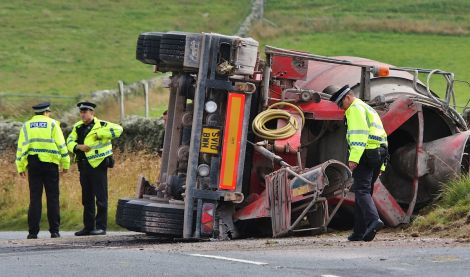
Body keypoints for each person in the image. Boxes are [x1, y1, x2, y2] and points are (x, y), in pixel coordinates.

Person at [330, 85, 388, 242]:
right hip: (379, 153)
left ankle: (373, 221)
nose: (341, 108)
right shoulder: (367, 108)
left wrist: (353, 158)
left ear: (348, 97)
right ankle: (360, 232)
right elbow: (383, 134)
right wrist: (382, 165)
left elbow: (359, 134)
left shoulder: (354, 109)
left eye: (340, 104)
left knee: (361, 191)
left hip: (365, 154)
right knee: (365, 192)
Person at [66, 101, 123, 236]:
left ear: (92, 113)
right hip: (84, 166)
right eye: (81, 112)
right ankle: (88, 227)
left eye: (85, 112)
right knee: (87, 198)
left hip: (98, 165)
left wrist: (100, 134)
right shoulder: (77, 127)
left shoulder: (102, 125)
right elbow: (69, 142)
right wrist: (78, 147)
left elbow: (119, 130)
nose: (83, 114)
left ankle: (101, 227)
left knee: (101, 198)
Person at [16, 102, 70, 239]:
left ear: (36, 113)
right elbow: (61, 144)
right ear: (46, 112)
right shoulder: (52, 124)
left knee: (35, 198)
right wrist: (66, 163)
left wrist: (20, 166)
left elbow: (22, 147)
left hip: (33, 165)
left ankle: (32, 232)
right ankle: (54, 231)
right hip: (50, 164)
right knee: (52, 198)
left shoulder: (27, 125)